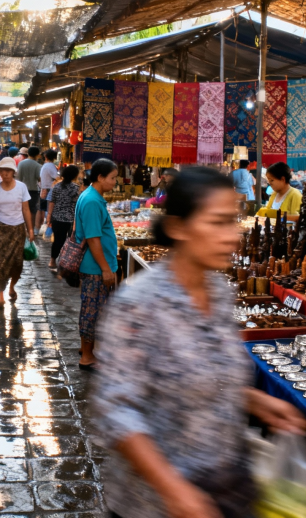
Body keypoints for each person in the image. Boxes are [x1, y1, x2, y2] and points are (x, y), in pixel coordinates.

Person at [95, 166, 306, 518]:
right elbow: (116, 410)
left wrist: (254, 399)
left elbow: (207, 373)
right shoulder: (139, 304)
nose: (232, 236)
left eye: (232, 221)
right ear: (178, 227)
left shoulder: (218, 291)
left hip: (226, 489)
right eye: (217, 223)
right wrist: (173, 490)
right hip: (158, 505)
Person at [75, 158, 118, 370]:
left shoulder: (92, 197)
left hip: (95, 266)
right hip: (94, 267)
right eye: (113, 178)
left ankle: (87, 349)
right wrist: (105, 269)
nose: (115, 182)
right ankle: (87, 356)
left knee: (93, 309)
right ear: (100, 177)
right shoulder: (92, 201)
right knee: (92, 311)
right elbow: (93, 239)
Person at [0, 157, 35, 307]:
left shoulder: (21, 187)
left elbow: (26, 209)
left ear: (13, 172)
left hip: (18, 230)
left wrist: (30, 229)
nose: (5, 173)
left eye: (8, 170)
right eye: (2, 171)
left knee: (17, 263)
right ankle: (0, 296)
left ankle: (12, 287)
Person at [46, 165, 80, 271]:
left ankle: (52, 261)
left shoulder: (57, 187)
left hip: (57, 218)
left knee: (57, 240)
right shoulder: (76, 188)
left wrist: (49, 216)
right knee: (69, 241)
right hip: (70, 219)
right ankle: (64, 262)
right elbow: (78, 204)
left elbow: (52, 202)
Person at [17, 146, 42, 230]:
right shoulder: (38, 165)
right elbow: (39, 179)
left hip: (21, 190)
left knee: (22, 209)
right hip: (33, 190)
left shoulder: (21, 163)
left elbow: (18, 178)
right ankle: (31, 229)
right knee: (32, 210)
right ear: (37, 155)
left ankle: (23, 228)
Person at [39, 149, 59, 224]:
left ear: (45, 156)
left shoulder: (46, 165)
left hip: (44, 188)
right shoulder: (50, 166)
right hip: (48, 189)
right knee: (48, 209)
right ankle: (48, 224)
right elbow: (56, 177)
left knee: (45, 209)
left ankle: (45, 224)